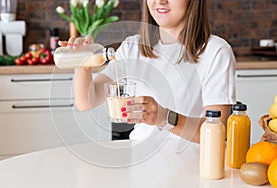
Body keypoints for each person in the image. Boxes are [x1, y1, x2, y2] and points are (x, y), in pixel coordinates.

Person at [58, 0, 236, 143]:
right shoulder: (133, 47)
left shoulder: (215, 51)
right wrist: (82, 63)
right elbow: (87, 100)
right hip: (139, 158)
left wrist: (164, 118)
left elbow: (218, 131)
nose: (160, 1)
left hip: (195, 162)